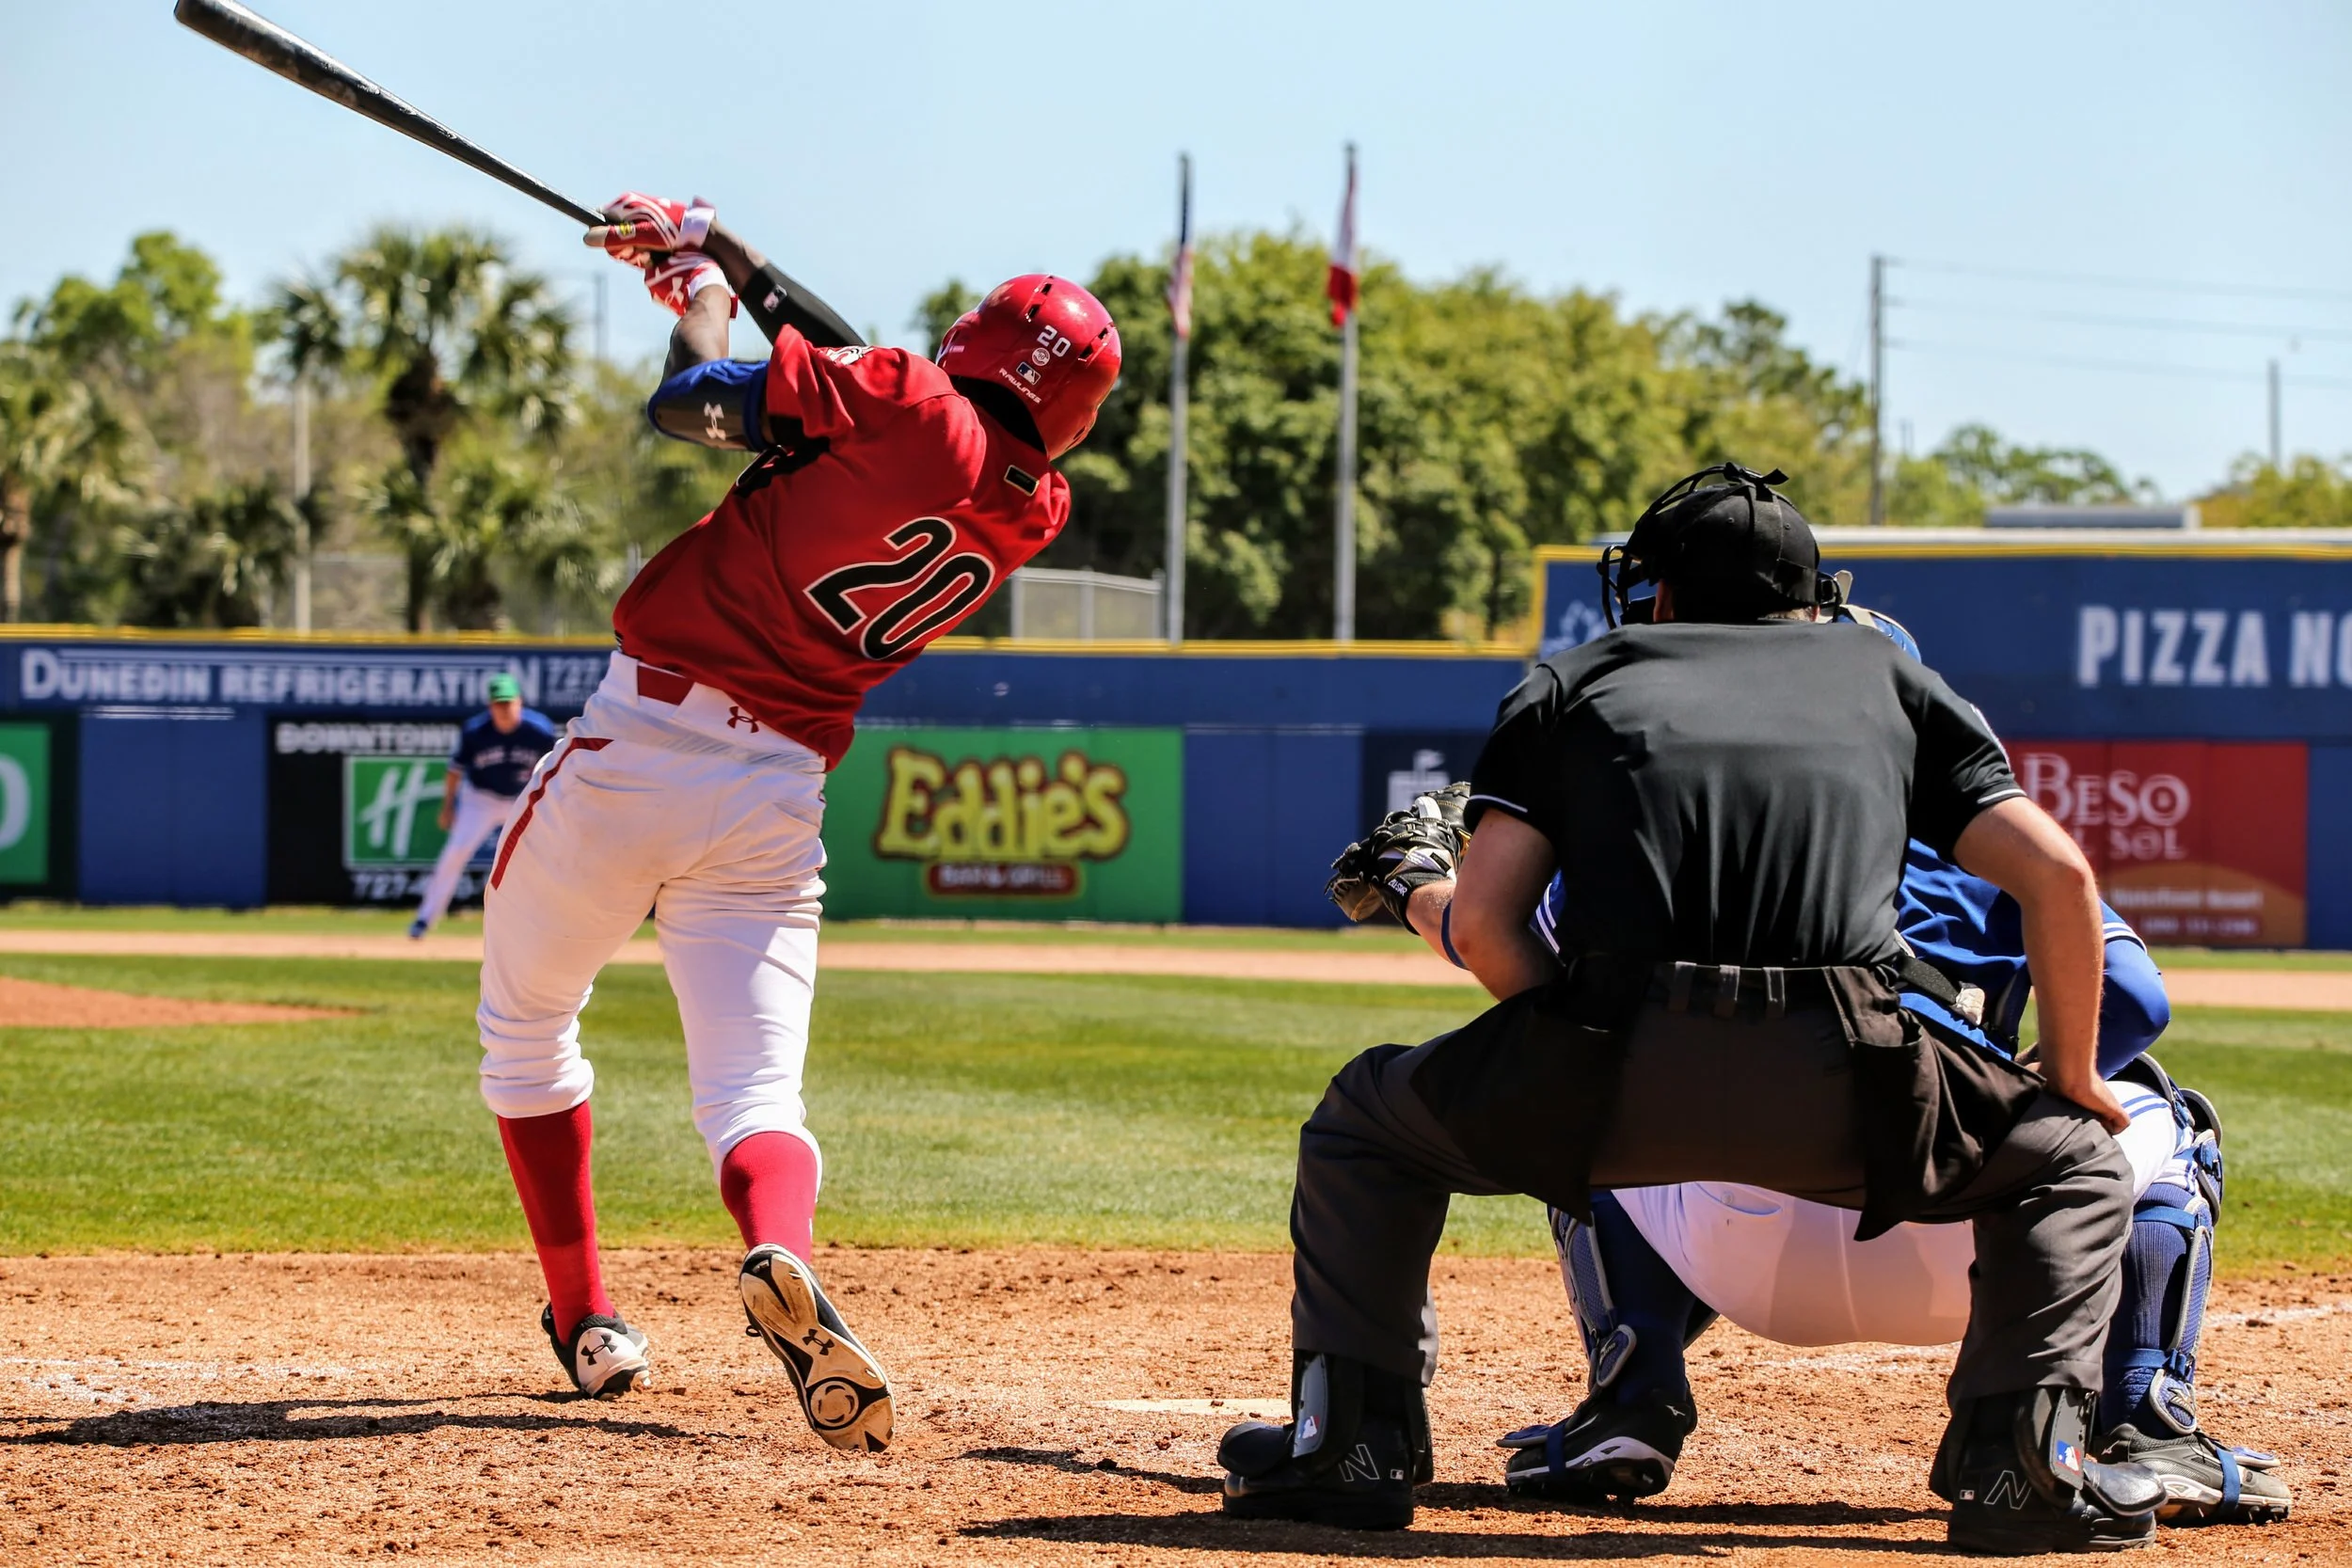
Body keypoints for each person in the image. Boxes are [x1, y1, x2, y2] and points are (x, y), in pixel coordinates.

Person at [1216, 464, 2165, 1553]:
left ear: (1658, 591)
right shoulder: (1891, 679)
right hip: (1854, 1083)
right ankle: (2021, 1466)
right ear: (1813, 597)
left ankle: (1350, 1446)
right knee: (2074, 1161)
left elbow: (1481, 925)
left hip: (1609, 1080)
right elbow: (2059, 877)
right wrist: (2071, 1073)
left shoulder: (1576, 679)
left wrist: (1563, 1040)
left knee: (1362, 1123)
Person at [1333, 616, 2287, 1525]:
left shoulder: (1666, 840)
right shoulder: (1983, 849)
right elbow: (2135, 998)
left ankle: (1631, 1390)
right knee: (2163, 1108)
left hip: (1725, 1235)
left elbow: (1486, 934)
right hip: (1973, 1228)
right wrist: (2033, 1088)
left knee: (1598, 1069)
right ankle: (2144, 1418)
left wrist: (1415, 881)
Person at [476, 191, 1119, 1446]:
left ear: (974, 340)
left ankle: (587, 1317)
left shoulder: (902, 397)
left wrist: (697, 289)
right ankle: (781, 1246)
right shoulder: (1035, 505)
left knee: (527, 1032)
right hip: (776, 792)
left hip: (639, 744)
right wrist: (727, 252)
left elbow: (690, 400)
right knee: (757, 1094)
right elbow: (864, 387)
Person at [407, 673, 557, 940]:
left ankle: (549, 921)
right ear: (490, 706)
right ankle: (425, 919)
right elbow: (454, 771)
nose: (504, 709)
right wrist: (448, 806)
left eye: (508, 702)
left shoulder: (540, 731)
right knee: (456, 852)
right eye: (499, 703)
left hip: (521, 798)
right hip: (481, 799)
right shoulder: (476, 732)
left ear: (519, 702)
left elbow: (556, 769)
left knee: (544, 854)